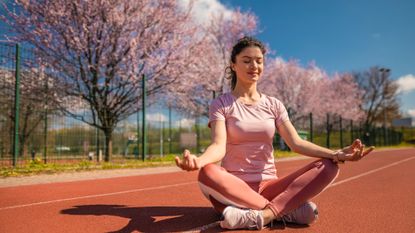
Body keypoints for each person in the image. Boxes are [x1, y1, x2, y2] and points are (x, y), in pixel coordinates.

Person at [175, 36, 374, 230]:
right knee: (208, 172)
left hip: (269, 186)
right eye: (246, 61)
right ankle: (284, 210)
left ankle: (263, 215)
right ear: (233, 65)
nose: (254, 66)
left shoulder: (274, 105)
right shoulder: (221, 104)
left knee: (330, 166)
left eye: (259, 61)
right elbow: (218, 146)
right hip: (234, 186)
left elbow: (296, 143)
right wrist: (198, 161)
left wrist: (336, 154)